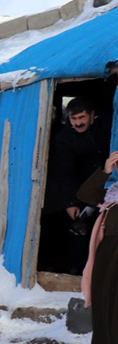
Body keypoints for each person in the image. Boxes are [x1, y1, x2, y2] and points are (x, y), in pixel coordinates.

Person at [41, 96, 110, 274]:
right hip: (77, 190)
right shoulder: (64, 138)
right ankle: (74, 270)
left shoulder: (105, 130)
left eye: (82, 118)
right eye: (74, 118)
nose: (78, 123)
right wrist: (71, 202)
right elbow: (64, 171)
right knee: (75, 230)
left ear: (92, 115)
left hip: (104, 188)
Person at [78, 150, 118, 344]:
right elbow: (85, 195)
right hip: (109, 255)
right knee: (108, 312)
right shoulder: (113, 192)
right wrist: (106, 171)